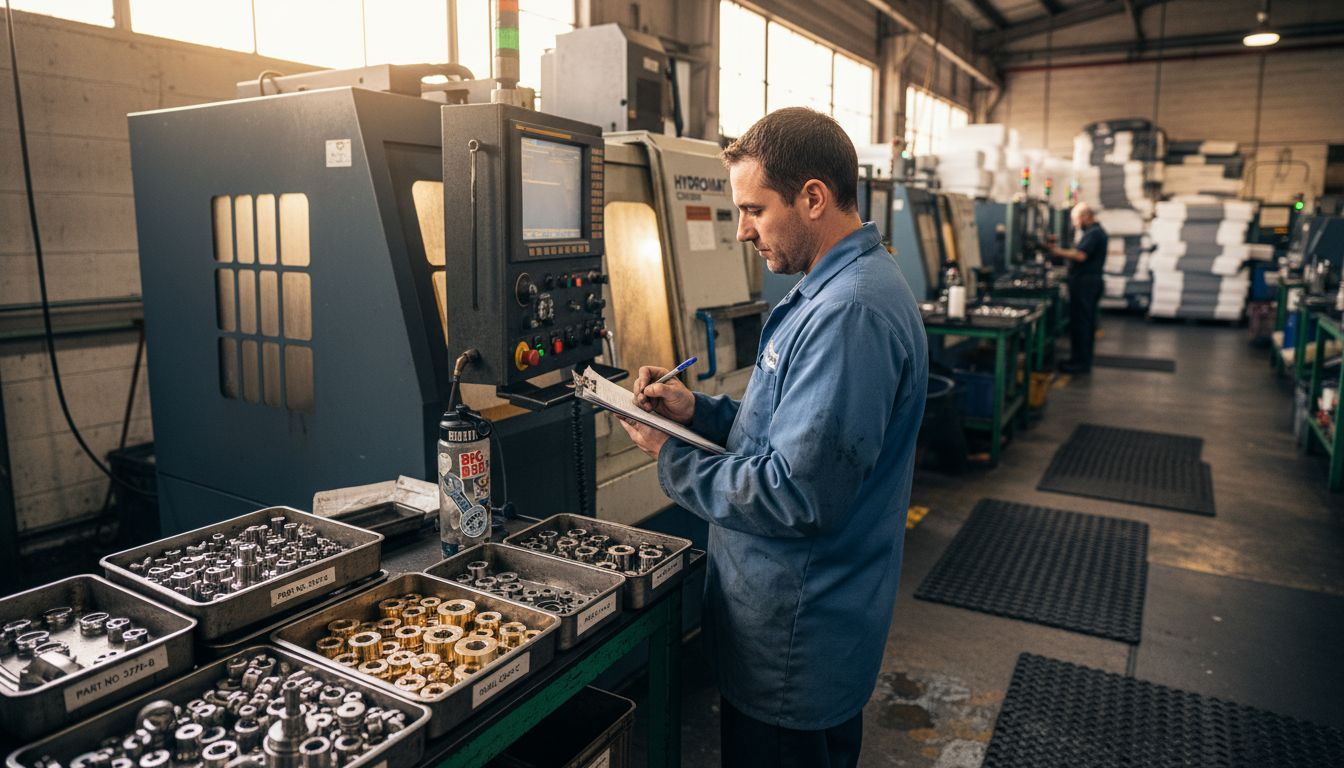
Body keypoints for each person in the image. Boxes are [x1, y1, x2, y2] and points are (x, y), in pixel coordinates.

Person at [616, 107, 929, 768]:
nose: (742, 231)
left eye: (754, 210)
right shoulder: (834, 288)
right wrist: (695, 412)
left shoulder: (849, 312)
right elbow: (786, 429)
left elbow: (797, 493)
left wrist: (670, 455)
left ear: (812, 197)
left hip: (798, 637)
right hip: (792, 623)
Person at [1047, 202, 1107, 373]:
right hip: (1088, 282)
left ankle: (1080, 363)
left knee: (1082, 324)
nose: (1075, 224)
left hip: (1086, 284)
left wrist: (1055, 251)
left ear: (1085, 217)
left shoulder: (1094, 233)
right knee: (1084, 323)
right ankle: (1080, 360)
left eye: (1075, 219)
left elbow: (1080, 255)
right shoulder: (1094, 232)